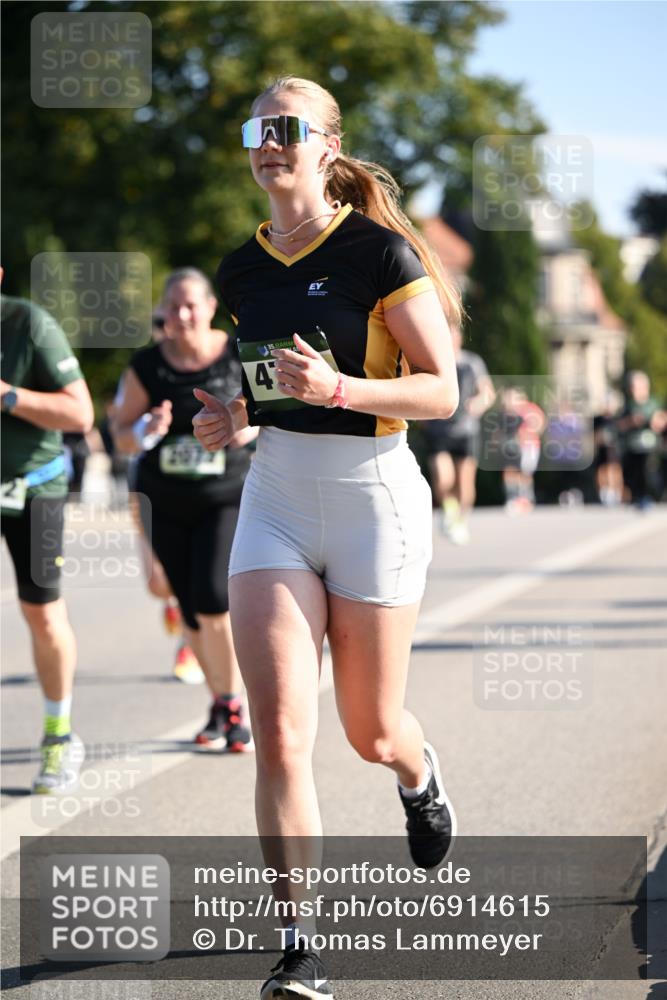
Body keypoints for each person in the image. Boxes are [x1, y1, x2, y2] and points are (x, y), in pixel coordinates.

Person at [192, 76, 460, 1000]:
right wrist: (236, 416)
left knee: (369, 730)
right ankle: (300, 944)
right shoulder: (241, 267)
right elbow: (272, 387)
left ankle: (418, 776)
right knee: (277, 729)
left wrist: (340, 389)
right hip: (272, 498)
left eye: (285, 127)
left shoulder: (378, 254)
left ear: (325, 145)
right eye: (254, 129)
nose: (267, 142)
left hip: (371, 500)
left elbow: (441, 391)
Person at [113, 268, 257, 746]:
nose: (181, 315)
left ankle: (233, 706)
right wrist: (145, 429)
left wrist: (241, 428)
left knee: (214, 598)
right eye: (172, 306)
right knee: (191, 608)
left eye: (191, 305)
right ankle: (221, 703)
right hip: (165, 500)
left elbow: (271, 411)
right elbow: (120, 433)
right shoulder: (148, 365)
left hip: (225, 496)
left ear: (211, 307)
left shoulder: (238, 352)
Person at [1, 274, 94, 793]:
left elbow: (80, 413)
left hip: (34, 491)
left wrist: (8, 397)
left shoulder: (28, 324)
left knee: (41, 613)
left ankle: (59, 737)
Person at [420, 325, 494, 543]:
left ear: (459, 339)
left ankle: (460, 521)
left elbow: (487, 392)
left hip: (466, 430)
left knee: (464, 481)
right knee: (443, 478)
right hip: (439, 428)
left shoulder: (472, 362)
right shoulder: (432, 361)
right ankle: (449, 511)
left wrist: (478, 404)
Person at [616, 370, 666, 509]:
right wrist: (631, 422)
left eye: (637, 386)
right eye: (632, 386)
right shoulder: (628, 405)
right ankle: (637, 497)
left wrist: (657, 421)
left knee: (649, 472)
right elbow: (618, 425)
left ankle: (651, 496)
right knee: (633, 474)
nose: (634, 389)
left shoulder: (654, 403)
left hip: (650, 446)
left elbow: (661, 421)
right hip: (632, 446)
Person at [593, 391, 623, 506]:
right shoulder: (597, 419)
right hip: (601, 449)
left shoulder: (616, 419)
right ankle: (604, 492)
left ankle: (615, 491)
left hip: (614, 449)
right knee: (602, 470)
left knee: (614, 469)